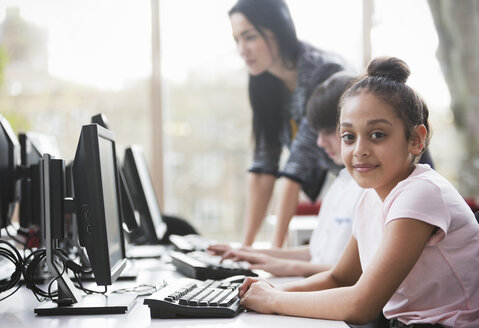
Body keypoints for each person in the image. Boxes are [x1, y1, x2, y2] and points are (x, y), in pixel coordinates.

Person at [236, 57, 479, 328]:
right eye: (349, 136)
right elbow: (340, 278)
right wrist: (269, 292)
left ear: (416, 139)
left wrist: (272, 301)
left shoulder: (421, 193)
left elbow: (361, 306)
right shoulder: (370, 197)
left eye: (377, 135)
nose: (359, 149)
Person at [208, 71, 362, 277]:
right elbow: (317, 253)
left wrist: (287, 268)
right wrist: (252, 254)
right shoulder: (341, 184)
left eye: (328, 132)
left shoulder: (369, 192)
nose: (319, 142)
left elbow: (355, 273)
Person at [228, 0, 352, 248]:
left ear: (279, 29)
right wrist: (244, 250)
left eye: (250, 37)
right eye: (237, 40)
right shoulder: (263, 81)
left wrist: (273, 254)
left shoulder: (323, 71)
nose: (242, 50)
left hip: (392, 180)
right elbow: (264, 166)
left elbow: (295, 168)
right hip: (350, 183)